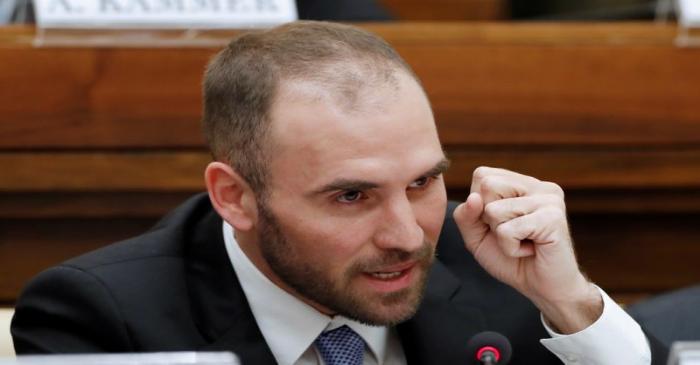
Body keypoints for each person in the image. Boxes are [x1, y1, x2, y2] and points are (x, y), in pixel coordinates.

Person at [11, 21, 666, 364]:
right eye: (351, 196)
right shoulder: (104, 317)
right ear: (234, 196)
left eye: (423, 181)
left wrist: (571, 303)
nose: (408, 234)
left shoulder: (496, 267)